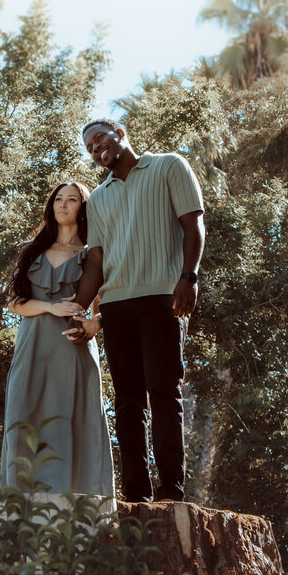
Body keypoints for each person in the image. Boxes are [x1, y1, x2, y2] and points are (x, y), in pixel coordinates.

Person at [66, 119, 204, 503]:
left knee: (163, 392)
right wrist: (78, 307)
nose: (95, 149)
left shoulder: (168, 166)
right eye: (89, 147)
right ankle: (135, 492)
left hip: (164, 297)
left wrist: (189, 278)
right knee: (127, 402)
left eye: (98, 139)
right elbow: (96, 262)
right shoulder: (100, 199)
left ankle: (171, 490)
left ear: (120, 134)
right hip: (115, 307)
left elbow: (194, 225)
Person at [0, 181, 114, 500]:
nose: (63, 205)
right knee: (23, 412)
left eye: (72, 200)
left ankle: (74, 501)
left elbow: (105, 305)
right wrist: (50, 306)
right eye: (58, 199)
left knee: (68, 417)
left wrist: (95, 325)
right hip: (32, 344)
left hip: (72, 347)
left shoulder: (95, 253)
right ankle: (18, 498)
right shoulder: (32, 250)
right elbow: (14, 302)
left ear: (84, 208)